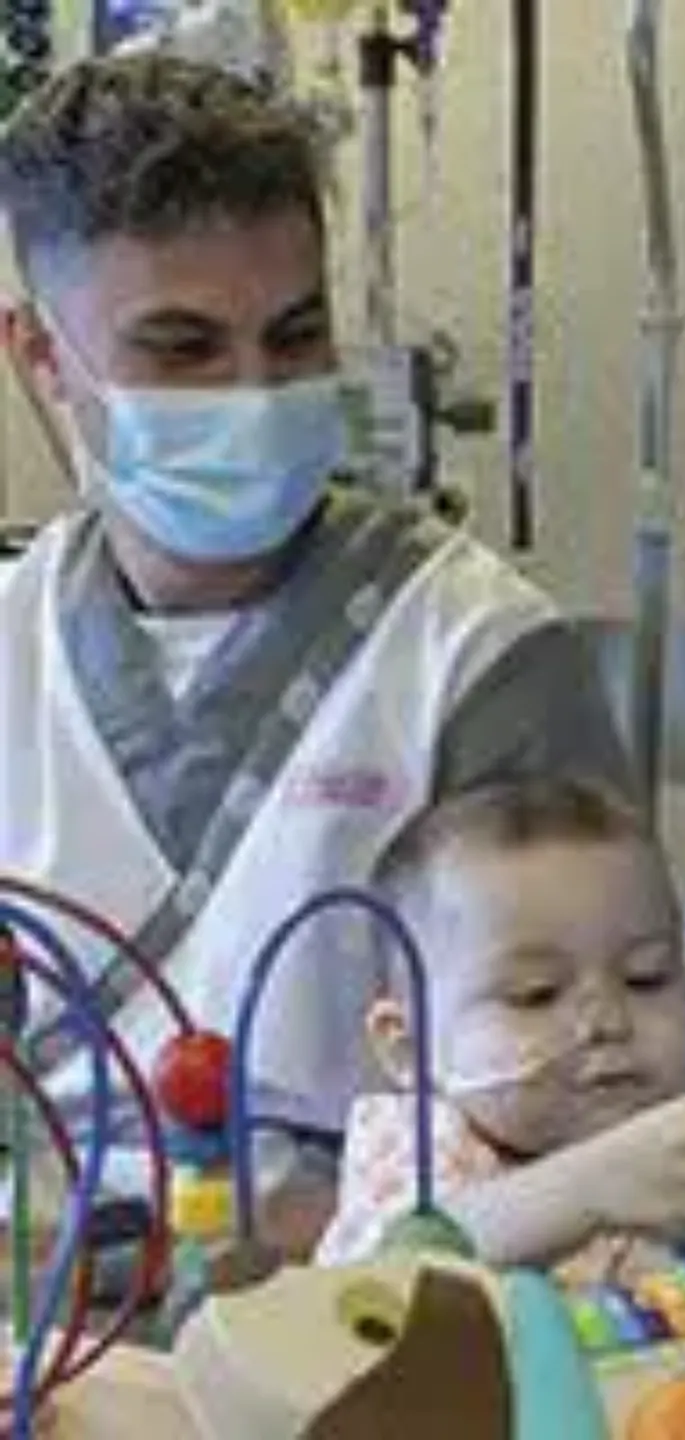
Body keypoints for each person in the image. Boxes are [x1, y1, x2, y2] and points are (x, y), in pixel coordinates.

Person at [0, 55, 632, 1231]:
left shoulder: (474, 657)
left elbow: (602, 1096)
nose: (254, 389)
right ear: (43, 361)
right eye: (183, 348)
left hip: (375, 1322)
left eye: (294, 336)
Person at [317, 776, 685, 1274]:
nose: (607, 1022)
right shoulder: (421, 1146)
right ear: (409, 1049)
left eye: (645, 978)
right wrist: (588, 1186)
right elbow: (375, 1286)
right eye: (536, 994)